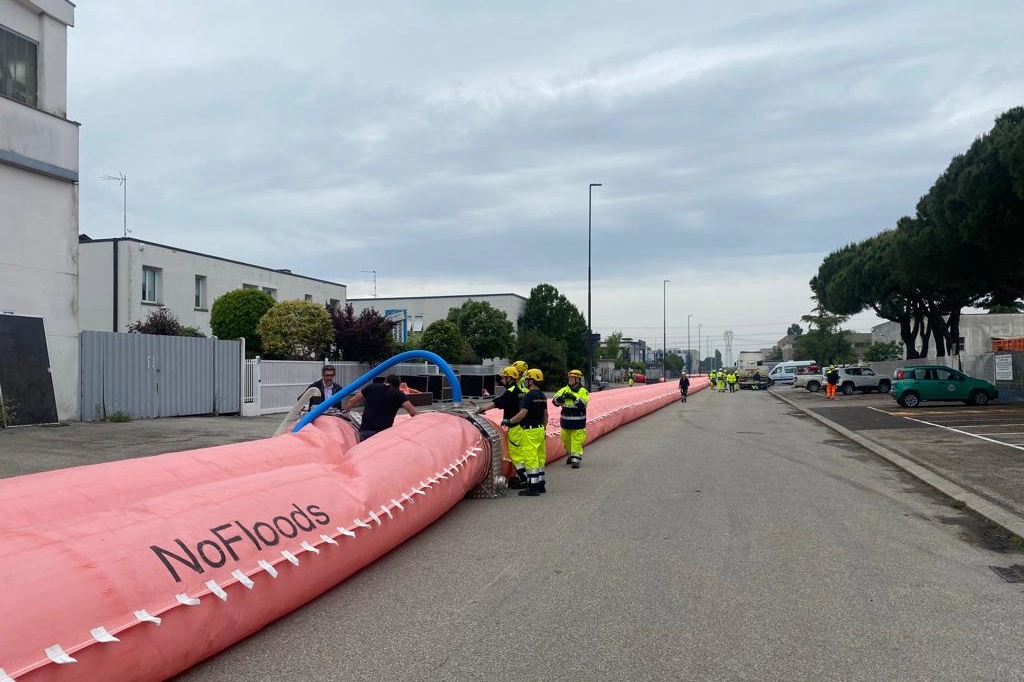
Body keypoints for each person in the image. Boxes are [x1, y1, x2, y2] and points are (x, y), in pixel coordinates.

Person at [475, 366, 528, 488]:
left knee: (516, 454)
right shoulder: (517, 390)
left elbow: (498, 401)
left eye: (504, 378)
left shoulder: (511, 391)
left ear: (510, 378)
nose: (502, 380)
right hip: (520, 426)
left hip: (515, 427)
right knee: (520, 453)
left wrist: (482, 409)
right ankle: (523, 477)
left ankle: (524, 479)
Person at [503, 368, 548, 497]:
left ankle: (533, 487)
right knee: (540, 458)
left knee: (530, 458)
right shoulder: (542, 395)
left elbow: (522, 413)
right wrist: (543, 428)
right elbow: (546, 414)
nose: (526, 382)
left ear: (531, 381)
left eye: (528, 379)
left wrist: (509, 421)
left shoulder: (529, 395)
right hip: (540, 429)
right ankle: (541, 484)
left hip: (530, 430)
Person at [346, 374, 417, 441]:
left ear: (385, 380)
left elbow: (352, 401)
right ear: (398, 386)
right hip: (383, 434)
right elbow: (413, 412)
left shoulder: (371, 387)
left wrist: (345, 411)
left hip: (366, 431)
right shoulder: (398, 394)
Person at [553, 369, 589, 469]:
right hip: (565, 423)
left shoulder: (583, 391)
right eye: (569, 377)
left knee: (576, 441)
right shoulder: (564, 389)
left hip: (578, 423)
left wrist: (574, 398)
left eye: (572, 378)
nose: (570, 379)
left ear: (578, 379)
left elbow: (583, 405)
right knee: (565, 439)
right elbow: (554, 400)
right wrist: (559, 399)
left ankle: (576, 460)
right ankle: (571, 454)